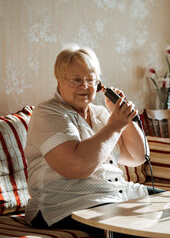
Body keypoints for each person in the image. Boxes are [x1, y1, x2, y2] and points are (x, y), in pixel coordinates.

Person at [25, 44, 151, 237]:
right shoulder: (47, 113)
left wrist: (123, 116)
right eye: (76, 80)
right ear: (59, 82)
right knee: (137, 229)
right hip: (66, 204)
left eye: (90, 80)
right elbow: (77, 167)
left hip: (116, 195)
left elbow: (137, 156)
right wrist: (115, 125)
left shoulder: (102, 114)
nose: (84, 86)